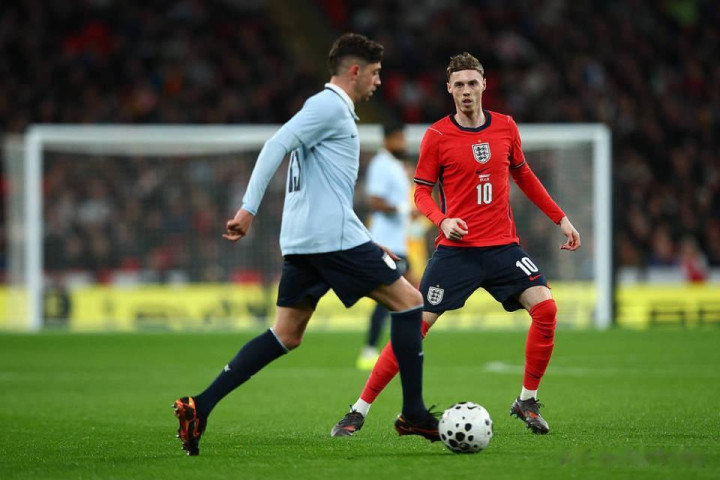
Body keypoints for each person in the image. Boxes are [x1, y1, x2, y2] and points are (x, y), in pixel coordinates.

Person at [173, 33, 439, 456]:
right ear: (355, 71)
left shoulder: (330, 112)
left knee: (287, 333)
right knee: (410, 303)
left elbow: (327, 193)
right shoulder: (328, 106)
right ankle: (414, 413)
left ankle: (199, 406)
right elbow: (275, 144)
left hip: (304, 241)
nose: (378, 81)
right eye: (374, 73)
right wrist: (248, 208)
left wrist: (368, 242)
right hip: (330, 239)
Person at [330, 52, 580, 438]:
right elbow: (421, 193)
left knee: (546, 308)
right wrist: (442, 219)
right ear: (449, 88)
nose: (466, 90)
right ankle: (358, 410)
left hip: (503, 248)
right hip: (456, 253)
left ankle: (527, 401)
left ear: (484, 85)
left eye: (472, 83)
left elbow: (525, 176)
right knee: (413, 327)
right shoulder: (437, 136)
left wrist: (560, 219)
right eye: (459, 84)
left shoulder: (506, 127)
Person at [356, 121, 418, 370]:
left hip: (398, 244)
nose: (403, 143)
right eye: (400, 139)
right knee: (392, 298)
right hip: (386, 244)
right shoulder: (381, 165)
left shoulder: (395, 166)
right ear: (388, 140)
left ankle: (404, 345)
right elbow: (375, 201)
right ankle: (371, 350)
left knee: (414, 293)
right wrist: (405, 209)